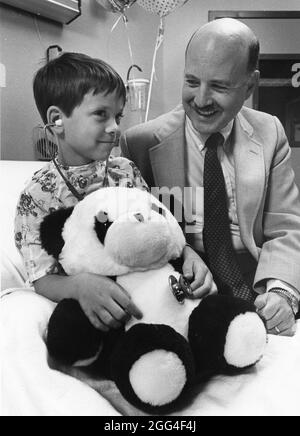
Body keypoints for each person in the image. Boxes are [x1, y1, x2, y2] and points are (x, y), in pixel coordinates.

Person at [120, 18, 300, 336]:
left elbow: (286, 227)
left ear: (249, 86)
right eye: (192, 82)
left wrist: (282, 293)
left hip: (254, 271)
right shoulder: (140, 143)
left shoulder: (270, 132)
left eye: (219, 86)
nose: (201, 100)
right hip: (185, 276)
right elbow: (135, 234)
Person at [14, 52, 151, 332]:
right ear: (57, 120)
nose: (115, 127)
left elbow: (160, 227)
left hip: (142, 290)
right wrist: (78, 286)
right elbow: (41, 277)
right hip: (88, 307)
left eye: (118, 115)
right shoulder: (38, 195)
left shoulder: (126, 172)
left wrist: (187, 253)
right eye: (101, 114)